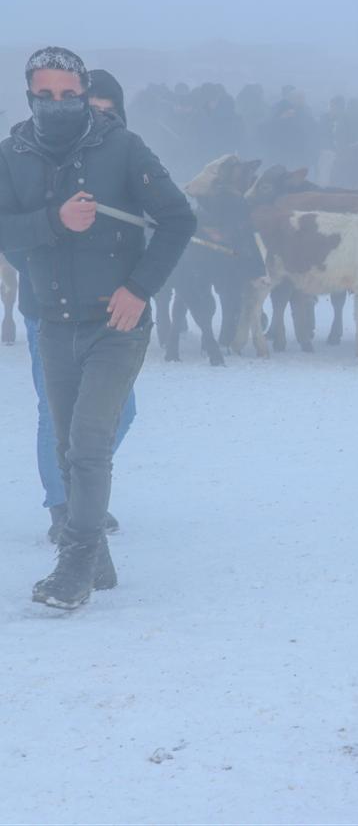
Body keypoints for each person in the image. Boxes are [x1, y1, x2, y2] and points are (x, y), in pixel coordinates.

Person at [0, 47, 195, 608]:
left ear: (84, 94)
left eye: (69, 95)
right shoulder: (12, 154)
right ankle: (98, 562)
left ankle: (77, 561)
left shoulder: (123, 146)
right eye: (46, 95)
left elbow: (179, 217)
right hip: (53, 319)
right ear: (30, 95)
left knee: (89, 441)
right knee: (65, 445)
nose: (57, 104)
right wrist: (52, 222)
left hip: (117, 319)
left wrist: (140, 289)